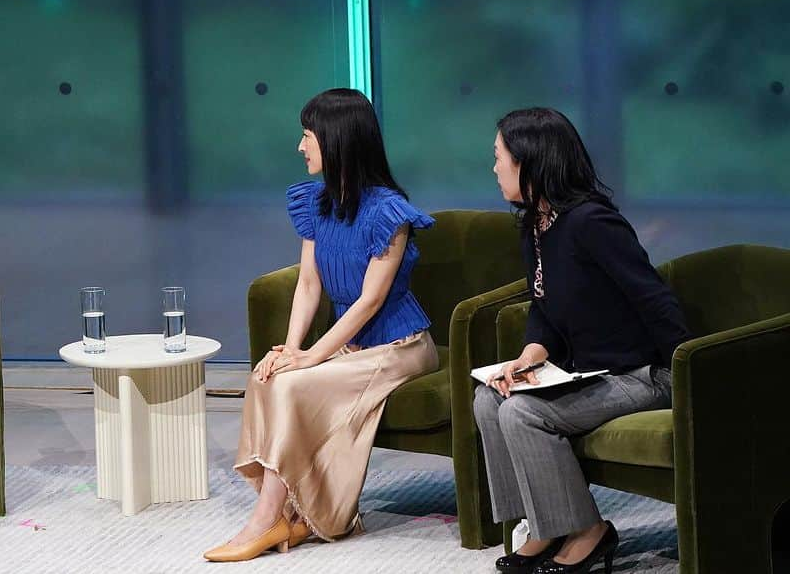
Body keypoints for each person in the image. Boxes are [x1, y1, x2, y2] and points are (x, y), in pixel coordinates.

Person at [203, 88, 439, 562]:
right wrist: (289, 349)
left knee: (292, 387)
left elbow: (371, 301)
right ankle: (289, 514)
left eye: (307, 136)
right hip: (351, 345)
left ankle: (266, 524)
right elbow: (309, 284)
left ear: (337, 141)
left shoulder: (389, 212)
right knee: (269, 376)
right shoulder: (317, 201)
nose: (300, 147)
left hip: (399, 345)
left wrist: (312, 356)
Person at [475, 107, 689, 574]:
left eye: (499, 157)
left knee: (523, 412)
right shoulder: (535, 225)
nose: (493, 168)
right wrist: (530, 356)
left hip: (640, 374)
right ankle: (544, 525)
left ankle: (589, 532)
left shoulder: (593, 222)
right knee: (490, 398)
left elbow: (655, 300)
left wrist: (686, 375)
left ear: (529, 161)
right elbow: (542, 303)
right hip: (585, 372)